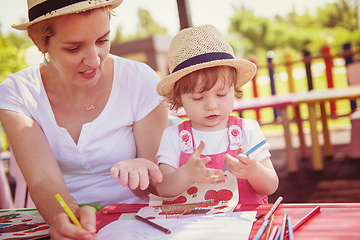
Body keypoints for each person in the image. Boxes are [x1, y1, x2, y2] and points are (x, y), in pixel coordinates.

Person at [0, 0, 168, 239]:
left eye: (102, 41)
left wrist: (145, 168)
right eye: (74, 48)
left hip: (140, 221)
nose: (94, 60)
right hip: (62, 218)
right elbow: (43, 180)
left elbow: (158, 181)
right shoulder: (17, 93)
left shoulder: (140, 80)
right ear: (40, 42)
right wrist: (68, 220)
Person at [155, 24, 279, 204]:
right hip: (194, 224)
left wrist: (254, 172)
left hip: (247, 222)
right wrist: (186, 174)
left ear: (233, 88)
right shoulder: (174, 137)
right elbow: (163, 189)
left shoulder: (247, 130)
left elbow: (271, 186)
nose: (211, 106)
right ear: (179, 98)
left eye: (221, 94)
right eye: (198, 97)